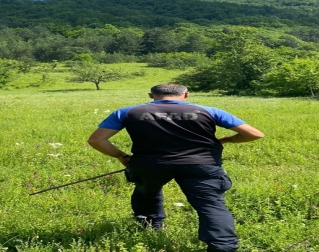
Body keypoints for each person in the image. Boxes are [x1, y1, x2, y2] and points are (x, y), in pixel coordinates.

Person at [88, 83, 264, 252]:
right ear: (186, 95)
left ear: (151, 96)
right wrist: (225, 139)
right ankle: (222, 247)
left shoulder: (128, 112)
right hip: (201, 164)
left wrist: (122, 156)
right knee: (210, 204)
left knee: (146, 193)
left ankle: (150, 226)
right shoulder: (208, 111)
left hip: (150, 165)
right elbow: (254, 134)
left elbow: (96, 140)